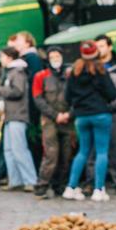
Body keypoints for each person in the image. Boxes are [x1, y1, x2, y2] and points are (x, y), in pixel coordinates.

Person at [63, 41, 116, 202]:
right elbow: (112, 94)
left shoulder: (75, 71)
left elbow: (67, 97)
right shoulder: (101, 70)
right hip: (101, 115)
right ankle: (98, 189)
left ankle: (71, 187)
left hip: (81, 117)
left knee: (82, 151)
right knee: (101, 152)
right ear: (96, 53)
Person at [89, 34, 116, 195]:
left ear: (109, 47)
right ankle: (91, 182)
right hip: (96, 112)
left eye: (101, 46)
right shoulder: (92, 67)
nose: (99, 49)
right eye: (97, 46)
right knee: (92, 149)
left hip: (115, 113)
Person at [32, 46, 73, 199]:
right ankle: (42, 185)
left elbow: (76, 95)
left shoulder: (70, 75)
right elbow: (38, 99)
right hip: (49, 120)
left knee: (66, 154)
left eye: (58, 55)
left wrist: (69, 113)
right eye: (52, 56)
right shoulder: (41, 76)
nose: (55, 58)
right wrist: (55, 115)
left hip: (68, 119)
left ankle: (60, 185)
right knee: (51, 154)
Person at [0, 47, 37, 192]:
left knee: (19, 150)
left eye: (2, 56)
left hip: (17, 116)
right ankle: (15, 180)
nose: (0, 59)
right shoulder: (11, 72)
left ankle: (30, 180)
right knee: (9, 150)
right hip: (10, 116)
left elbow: (18, 91)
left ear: (9, 57)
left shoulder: (17, 72)